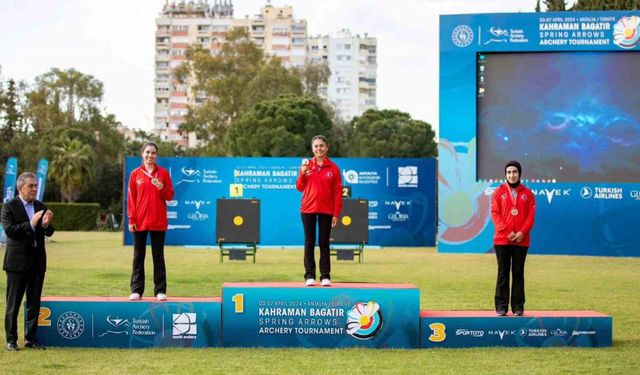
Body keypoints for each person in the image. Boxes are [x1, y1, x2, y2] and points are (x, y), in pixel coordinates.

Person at [2, 172, 54, 351]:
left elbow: (49, 231)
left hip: (37, 262)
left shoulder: (40, 205)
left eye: (35, 186)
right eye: (30, 186)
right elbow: (10, 231)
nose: (34, 189)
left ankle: (30, 339)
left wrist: (46, 225)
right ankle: (11, 340)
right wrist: (31, 224)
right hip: (17, 263)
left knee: (34, 303)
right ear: (20, 188)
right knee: (13, 303)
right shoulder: (9, 207)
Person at [127, 142, 174, 301]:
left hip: (158, 221)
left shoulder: (163, 174)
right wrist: (131, 218)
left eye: (153, 153)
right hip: (139, 221)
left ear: (157, 155)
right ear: (142, 154)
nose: (150, 155)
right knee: (138, 256)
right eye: (147, 152)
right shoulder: (135, 174)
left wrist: (161, 187)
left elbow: (170, 196)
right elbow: (131, 198)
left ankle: (160, 291)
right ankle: (136, 290)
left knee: (158, 256)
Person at [296, 135, 343, 287]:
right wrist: (303, 173)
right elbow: (299, 187)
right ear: (312, 148)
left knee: (324, 243)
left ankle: (325, 276)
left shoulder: (333, 168)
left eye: (321, 145)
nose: (319, 148)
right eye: (316, 146)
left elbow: (337, 193)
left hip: (326, 210)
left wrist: (336, 213)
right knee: (309, 242)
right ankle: (309, 275)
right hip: (307, 209)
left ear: (327, 147)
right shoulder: (306, 165)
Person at [490, 160, 536, 316]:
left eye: (514, 172)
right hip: (502, 239)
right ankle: (501, 306)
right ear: (505, 174)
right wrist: (507, 231)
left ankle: (518, 307)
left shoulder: (527, 193)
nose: (512, 175)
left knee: (518, 272)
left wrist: (522, 232)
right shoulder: (498, 192)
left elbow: (530, 217)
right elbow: (495, 214)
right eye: (509, 172)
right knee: (503, 272)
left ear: (519, 173)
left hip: (521, 240)